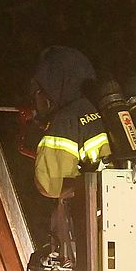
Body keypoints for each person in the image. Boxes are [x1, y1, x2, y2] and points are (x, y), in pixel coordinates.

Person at [32, 46, 110, 199]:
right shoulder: (102, 108)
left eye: (38, 92)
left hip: (105, 207)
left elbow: (50, 185)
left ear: (52, 87)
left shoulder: (66, 121)